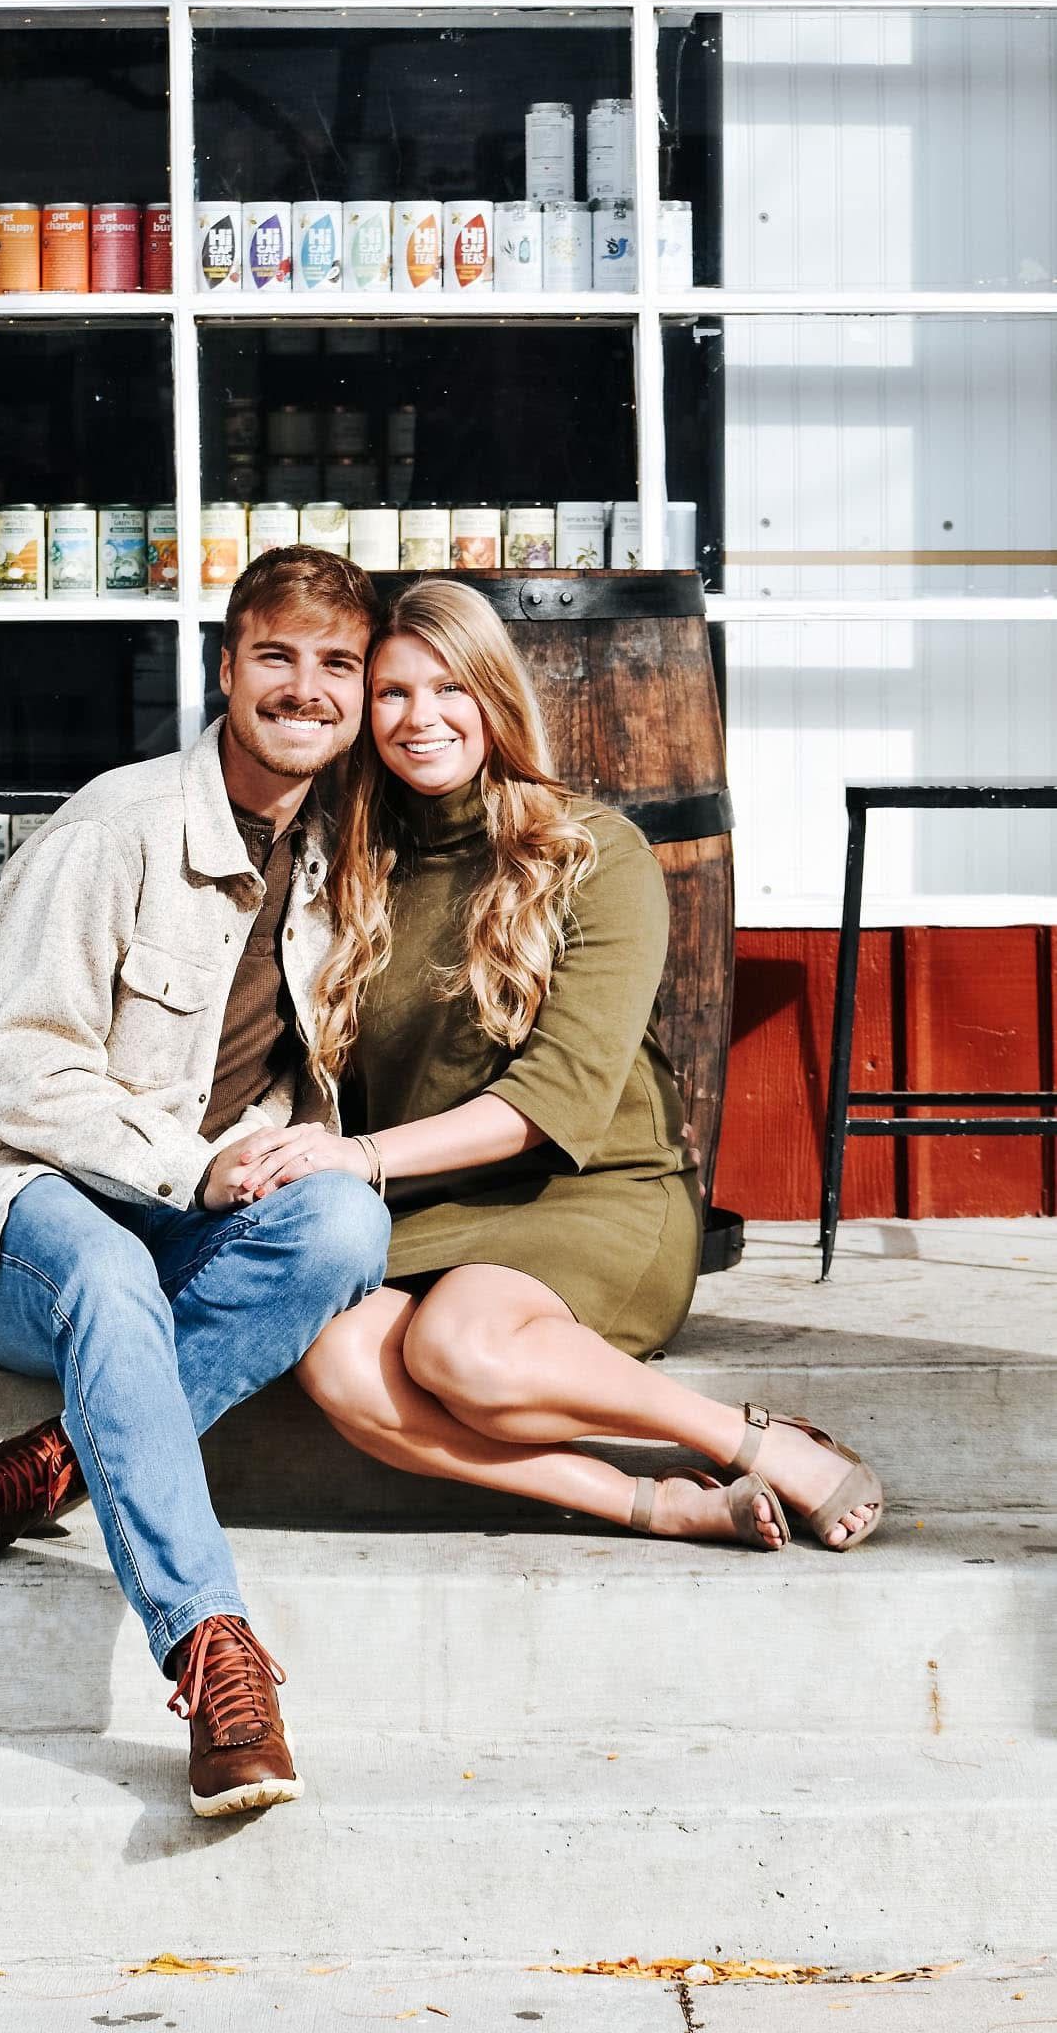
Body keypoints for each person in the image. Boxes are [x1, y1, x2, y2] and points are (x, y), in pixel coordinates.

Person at [226, 579, 885, 1554]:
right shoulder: (349, 868)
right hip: (431, 1202)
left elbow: (555, 1100)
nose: (421, 718)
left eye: (449, 688)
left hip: (593, 1190)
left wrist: (358, 1157)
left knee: (460, 1345)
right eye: (395, 693)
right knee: (339, 1361)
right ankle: (656, 1502)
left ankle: (757, 1441)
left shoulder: (593, 853)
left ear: (494, 694)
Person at [0, 546, 392, 1819]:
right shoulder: (113, 830)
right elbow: (16, 1069)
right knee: (109, 1271)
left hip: (183, 1226)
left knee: (345, 1217)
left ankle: (46, 1467)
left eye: (337, 663)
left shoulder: (334, 856)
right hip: (24, 1215)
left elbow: (289, 1063)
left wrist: (281, 1143)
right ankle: (214, 1652)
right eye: (276, 655)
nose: (306, 687)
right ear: (226, 668)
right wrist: (197, 1164)